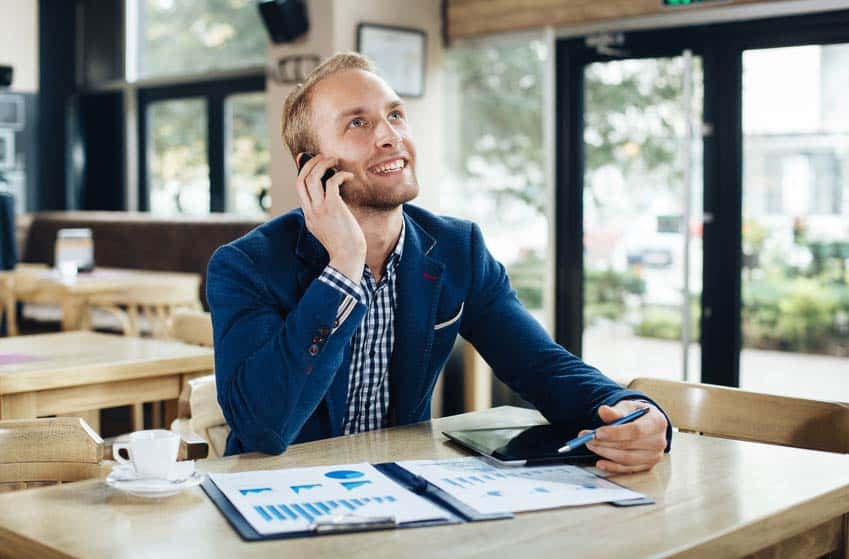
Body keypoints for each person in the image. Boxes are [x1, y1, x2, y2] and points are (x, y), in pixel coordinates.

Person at [207, 52, 671, 472]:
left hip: (402, 488)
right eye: (358, 124)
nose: (390, 136)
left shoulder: (457, 248)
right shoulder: (246, 266)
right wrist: (343, 268)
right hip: (280, 493)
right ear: (313, 167)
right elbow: (265, 428)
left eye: (395, 116)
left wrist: (632, 411)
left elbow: (543, 367)